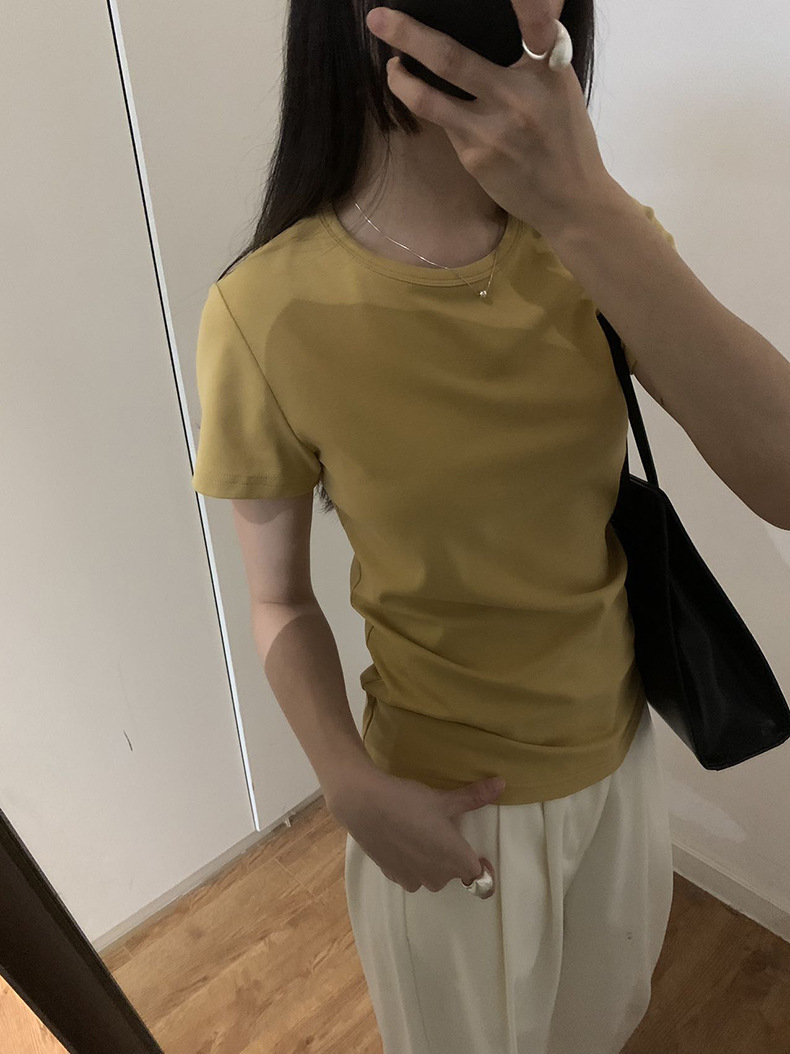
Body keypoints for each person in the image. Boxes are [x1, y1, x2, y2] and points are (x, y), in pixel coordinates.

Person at [191, 2, 675, 1051]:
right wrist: (346, 780)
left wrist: (589, 203)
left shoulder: (598, 242)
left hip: (623, 761)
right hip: (445, 804)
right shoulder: (263, 312)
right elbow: (279, 598)